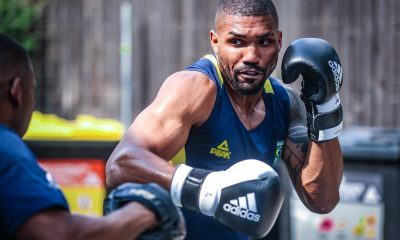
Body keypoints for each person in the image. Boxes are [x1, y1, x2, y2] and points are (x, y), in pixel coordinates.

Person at [106, 0, 344, 239]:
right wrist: (209, 190)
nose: (251, 56)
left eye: (264, 42)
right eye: (237, 42)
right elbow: (121, 164)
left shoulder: (285, 103)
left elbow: (321, 200)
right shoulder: (195, 89)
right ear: (215, 42)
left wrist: (326, 108)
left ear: (278, 41)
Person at [0, 33, 184, 240]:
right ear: (17, 92)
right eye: (32, 89)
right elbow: (60, 234)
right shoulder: (6, 147)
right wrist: (146, 209)